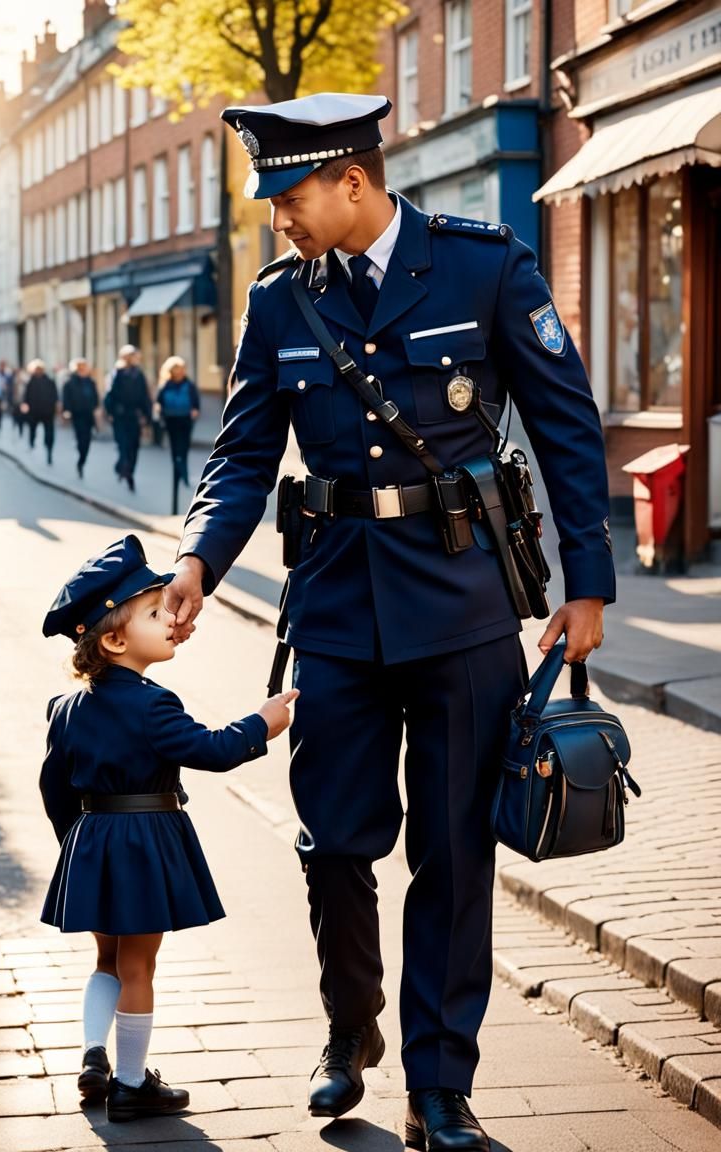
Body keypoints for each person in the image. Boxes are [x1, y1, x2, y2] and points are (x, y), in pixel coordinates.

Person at [164, 94, 615, 1151]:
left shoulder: (483, 268)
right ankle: (346, 1031)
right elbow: (240, 457)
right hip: (330, 606)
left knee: (453, 854)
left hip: (460, 608)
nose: (278, 219)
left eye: (288, 197)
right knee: (332, 841)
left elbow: (564, 427)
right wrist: (195, 559)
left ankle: (439, 1080)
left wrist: (584, 585)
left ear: (351, 182)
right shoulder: (279, 303)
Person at [39, 534, 298, 1122]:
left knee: (106, 958)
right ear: (114, 639)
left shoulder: (65, 707)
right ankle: (131, 1083)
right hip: (142, 839)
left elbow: (53, 786)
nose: (172, 621)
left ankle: (93, 1055)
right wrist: (262, 723)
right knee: (139, 965)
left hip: (92, 839)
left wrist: (74, 846)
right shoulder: (154, 704)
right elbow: (209, 750)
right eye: (157, 614)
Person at [104, 345, 152, 490]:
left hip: (135, 416)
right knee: (123, 445)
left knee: (134, 446)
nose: (136, 359)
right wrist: (110, 412)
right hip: (120, 415)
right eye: (133, 356)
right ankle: (124, 470)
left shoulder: (139, 374)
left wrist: (147, 416)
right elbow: (109, 396)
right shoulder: (116, 373)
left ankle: (128, 470)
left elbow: (145, 396)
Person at [155, 357, 200, 487]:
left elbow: (196, 401)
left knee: (184, 447)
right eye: (177, 369)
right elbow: (159, 402)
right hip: (171, 420)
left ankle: (184, 473)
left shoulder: (189, 385)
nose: (180, 372)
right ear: (171, 371)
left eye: (181, 369)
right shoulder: (165, 385)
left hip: (185, 419)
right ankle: (178, 472)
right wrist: (159, 411)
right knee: (175, 447)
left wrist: (195, 410)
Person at [62, 358, 100, 479]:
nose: (83, 369)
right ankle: (80, 456)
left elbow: (95, 398)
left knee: (87, 440)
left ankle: (81, 461)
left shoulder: (90, 382)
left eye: (84, 367)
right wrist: (67, 410)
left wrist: (96, 409)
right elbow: (65, 398)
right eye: (80, 367)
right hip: (77, 414)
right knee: (80, 438)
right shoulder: (70, 383)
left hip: (88, 414)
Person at [20, 359, 58, 464]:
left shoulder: (50, 382)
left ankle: (49, 450)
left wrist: (54, 407)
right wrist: (25, 406)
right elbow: (26, 396)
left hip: (47, 412)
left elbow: (54, 396)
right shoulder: (30, 382)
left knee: (49, 433)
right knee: (32, 429)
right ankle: (31, 443)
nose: (38, 371)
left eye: (40, 369)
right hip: (34, 412)